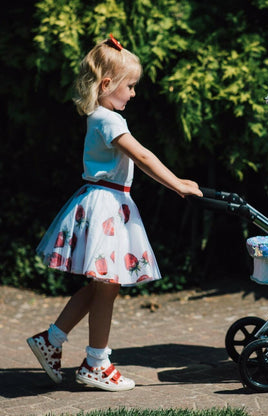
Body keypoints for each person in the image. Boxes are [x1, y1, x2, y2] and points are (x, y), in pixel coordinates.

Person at [27, 34, 202, 392]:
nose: (134, 94)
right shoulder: (110, 121)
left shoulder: (99, 117)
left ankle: (52, 339)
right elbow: (143, 156)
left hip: (105, 202)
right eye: (131, 86)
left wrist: (178, 180)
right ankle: (96, 363)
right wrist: (178, 185)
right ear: (107, 85)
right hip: (107, 206)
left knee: (102, 286)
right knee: (107, 286)